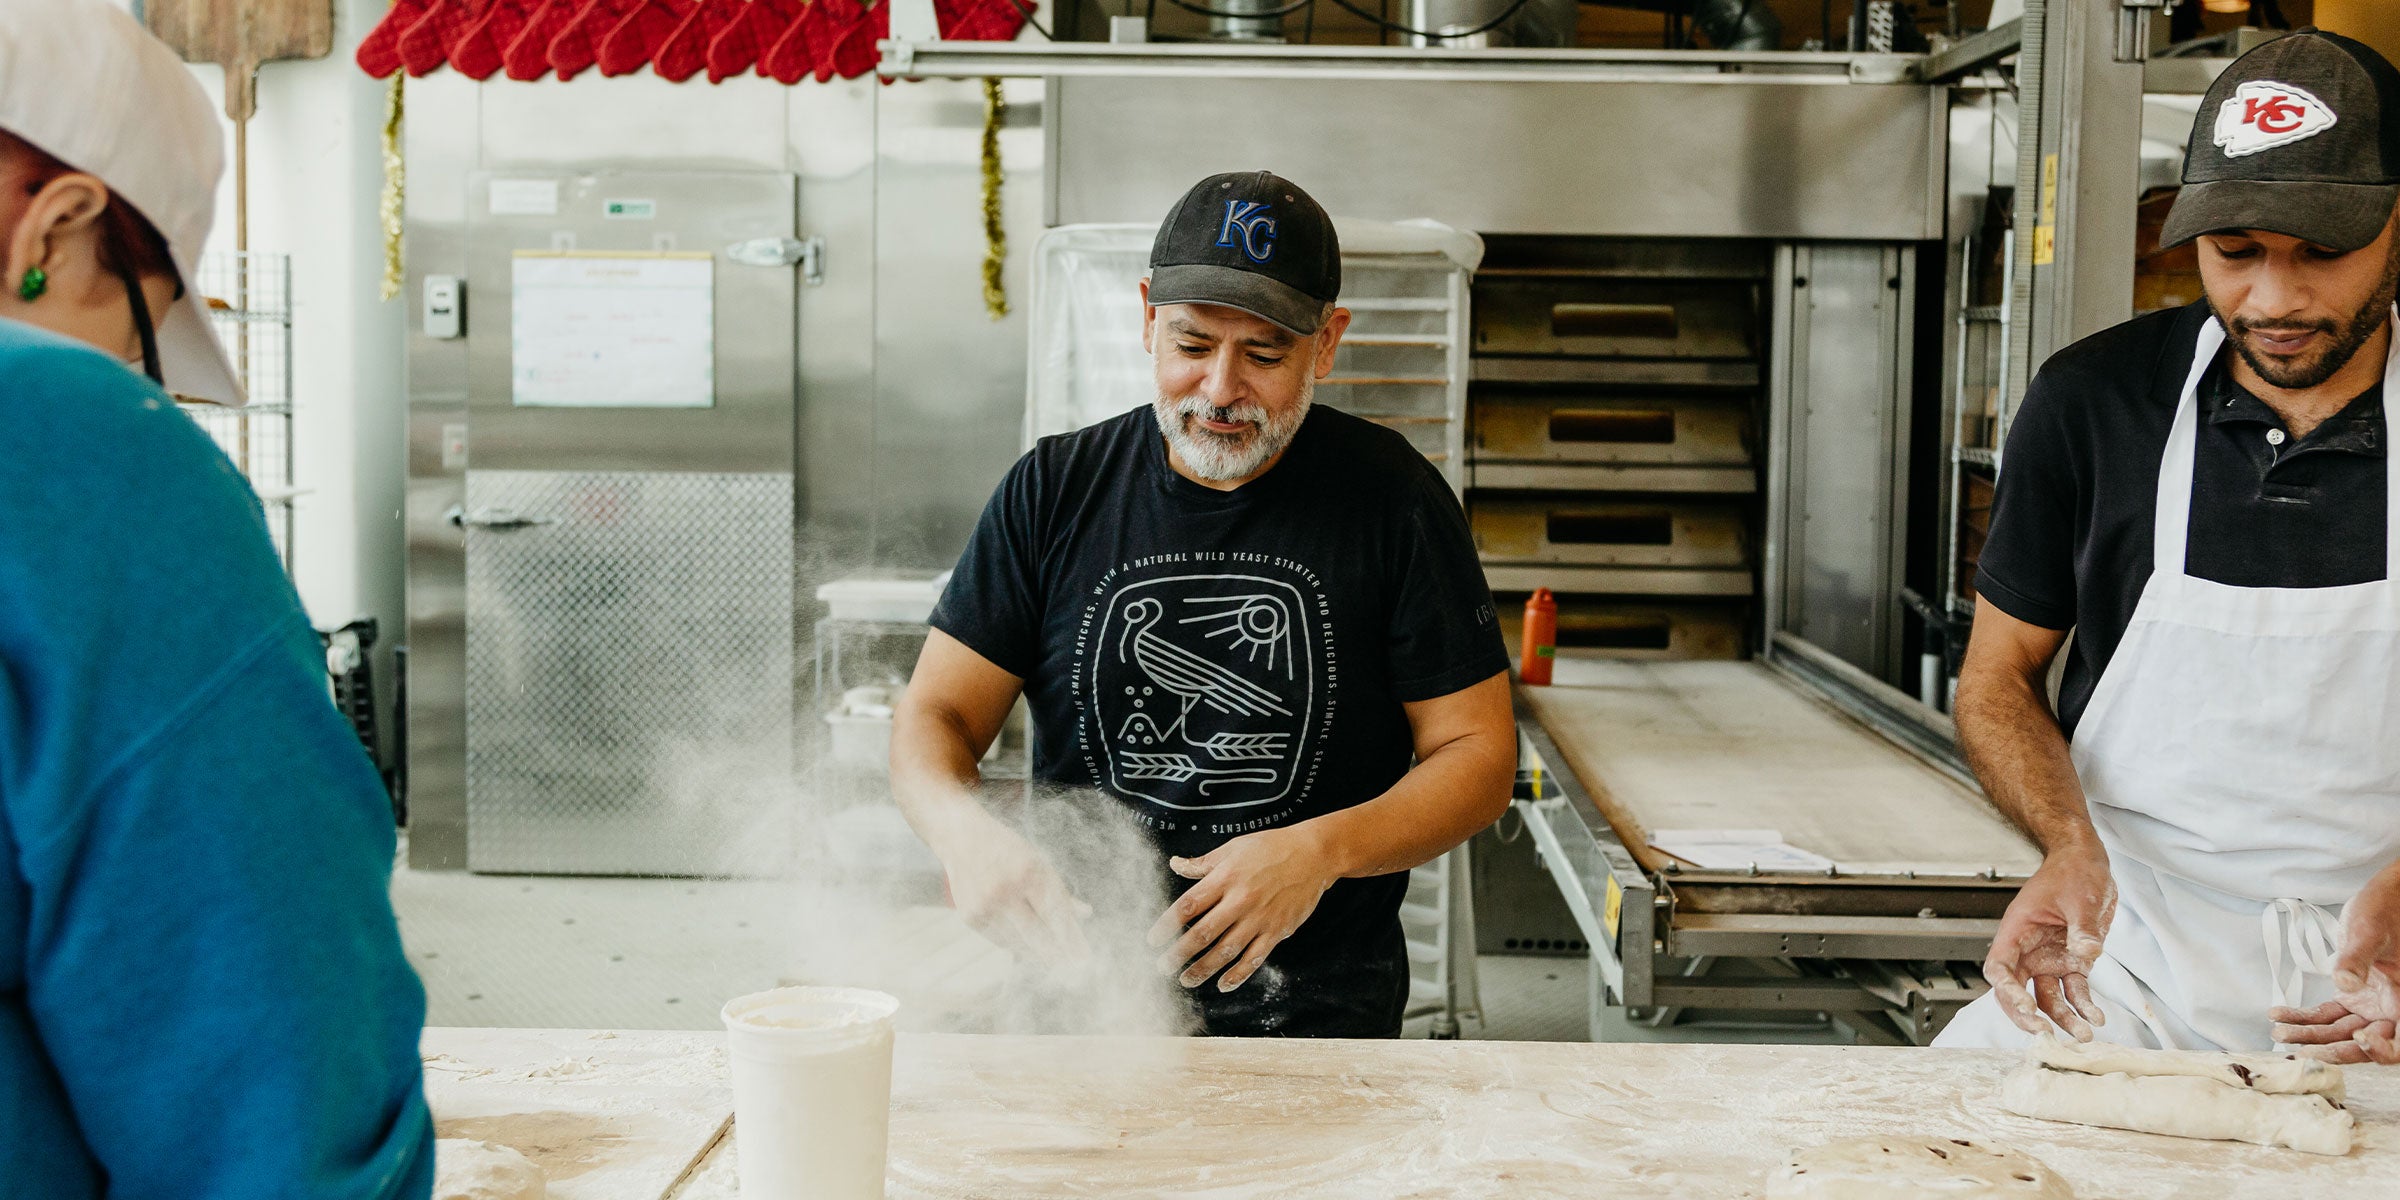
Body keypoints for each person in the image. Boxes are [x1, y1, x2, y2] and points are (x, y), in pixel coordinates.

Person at [889, 172, 1516, 1037]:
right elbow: (937, 714)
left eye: (1264, 355)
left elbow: (1478, 756)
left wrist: (1321, 850)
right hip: (1078, 1016)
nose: (1221, 389)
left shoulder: (1394, 501)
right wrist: (961, 832)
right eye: (1192, 343)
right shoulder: (1053, 490)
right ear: (1148, 315)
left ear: (1326, 344)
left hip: (1317, 1020)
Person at [0, 3, 433, 1196]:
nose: (138, 379)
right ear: (60, 220)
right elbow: (270, 1072)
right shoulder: (69, 436)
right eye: (138, 325)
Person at [1935, 28, 2400, 1061]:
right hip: (2130, 976)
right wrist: (2064, 846)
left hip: (2389, 992)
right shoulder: (2095, 405)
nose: (2273, 300)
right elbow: (1996, 678)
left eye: (2322, 253)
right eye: (2235, 253)